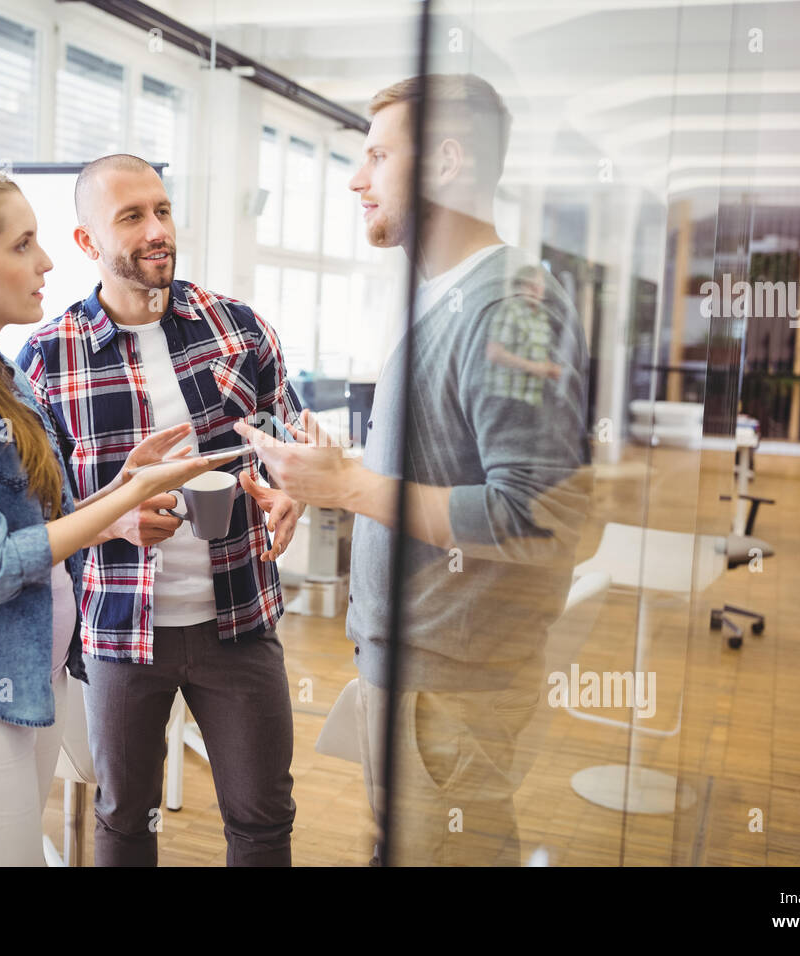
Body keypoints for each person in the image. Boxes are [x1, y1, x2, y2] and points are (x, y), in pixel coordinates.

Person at [236, 75, 593, 866]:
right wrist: (323, 482)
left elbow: (538, 514)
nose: (357, 180)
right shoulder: (453, 299)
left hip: (454, 690)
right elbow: (447, 467)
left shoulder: (511, 307)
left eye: (377, 155)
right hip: (420, 676)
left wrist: (349, 488)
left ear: (445, 162)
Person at [0, 164, 228, 866]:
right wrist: (119, 503)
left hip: (29, 678)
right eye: (23, 245)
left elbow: (33, 527)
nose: (47, 261)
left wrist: (117, 495)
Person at [17, 154, 302, 866]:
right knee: (123, 819)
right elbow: (29, 507)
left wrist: (291, 487)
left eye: (163, 210)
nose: (157, 231)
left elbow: (289, 438)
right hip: (118, 631)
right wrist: (111, 514)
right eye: (132, 216)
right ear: (87, 243)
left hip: (239, 621)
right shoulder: (47, 358)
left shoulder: (239, 328)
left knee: (263, 817)